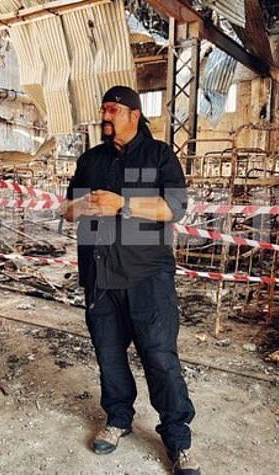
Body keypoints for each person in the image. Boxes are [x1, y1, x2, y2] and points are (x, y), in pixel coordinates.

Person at [62, 85, 200, 475]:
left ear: (133, 115)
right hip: (101, 275)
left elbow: (174, 209)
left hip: (147, 275)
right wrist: (80, 205)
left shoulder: (158, 156)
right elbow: (66, 210)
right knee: (108, 356)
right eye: (103, 109)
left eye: (112, 110)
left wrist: (122, 204)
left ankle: (177, 438)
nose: (105, 116)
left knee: (159, 356)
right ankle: (118, 418)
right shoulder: (91, 160)